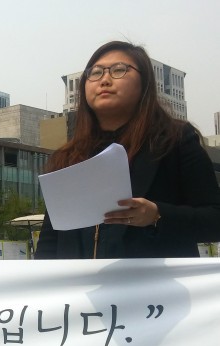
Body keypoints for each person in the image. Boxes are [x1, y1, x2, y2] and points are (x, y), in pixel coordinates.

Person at [35, 41, 220, 259]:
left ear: (144, 82)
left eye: (119, 70)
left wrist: (157, 215)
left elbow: (214, 219)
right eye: (95, 73)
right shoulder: (68, 157)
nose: (105, 80)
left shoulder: (174, 140)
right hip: (80, 280)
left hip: (150, 279)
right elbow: (50, 238)